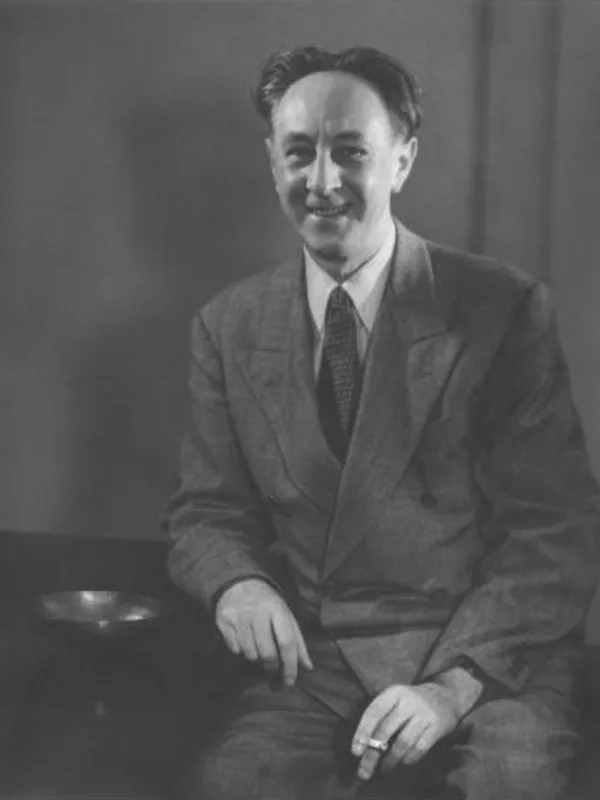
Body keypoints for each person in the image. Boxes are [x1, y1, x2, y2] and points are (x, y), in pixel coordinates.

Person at [164, 46, 600, 800]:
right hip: (324, 662)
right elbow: (206, 512)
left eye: (350, 152)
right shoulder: (227, 326)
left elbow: (555, 532)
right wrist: (236, 584)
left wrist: (450, 688)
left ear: (403, 160)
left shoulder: (500, 309)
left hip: (494, 661)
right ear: (271, 162)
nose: (321, 182)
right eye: (298, 152)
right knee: (234, 786)